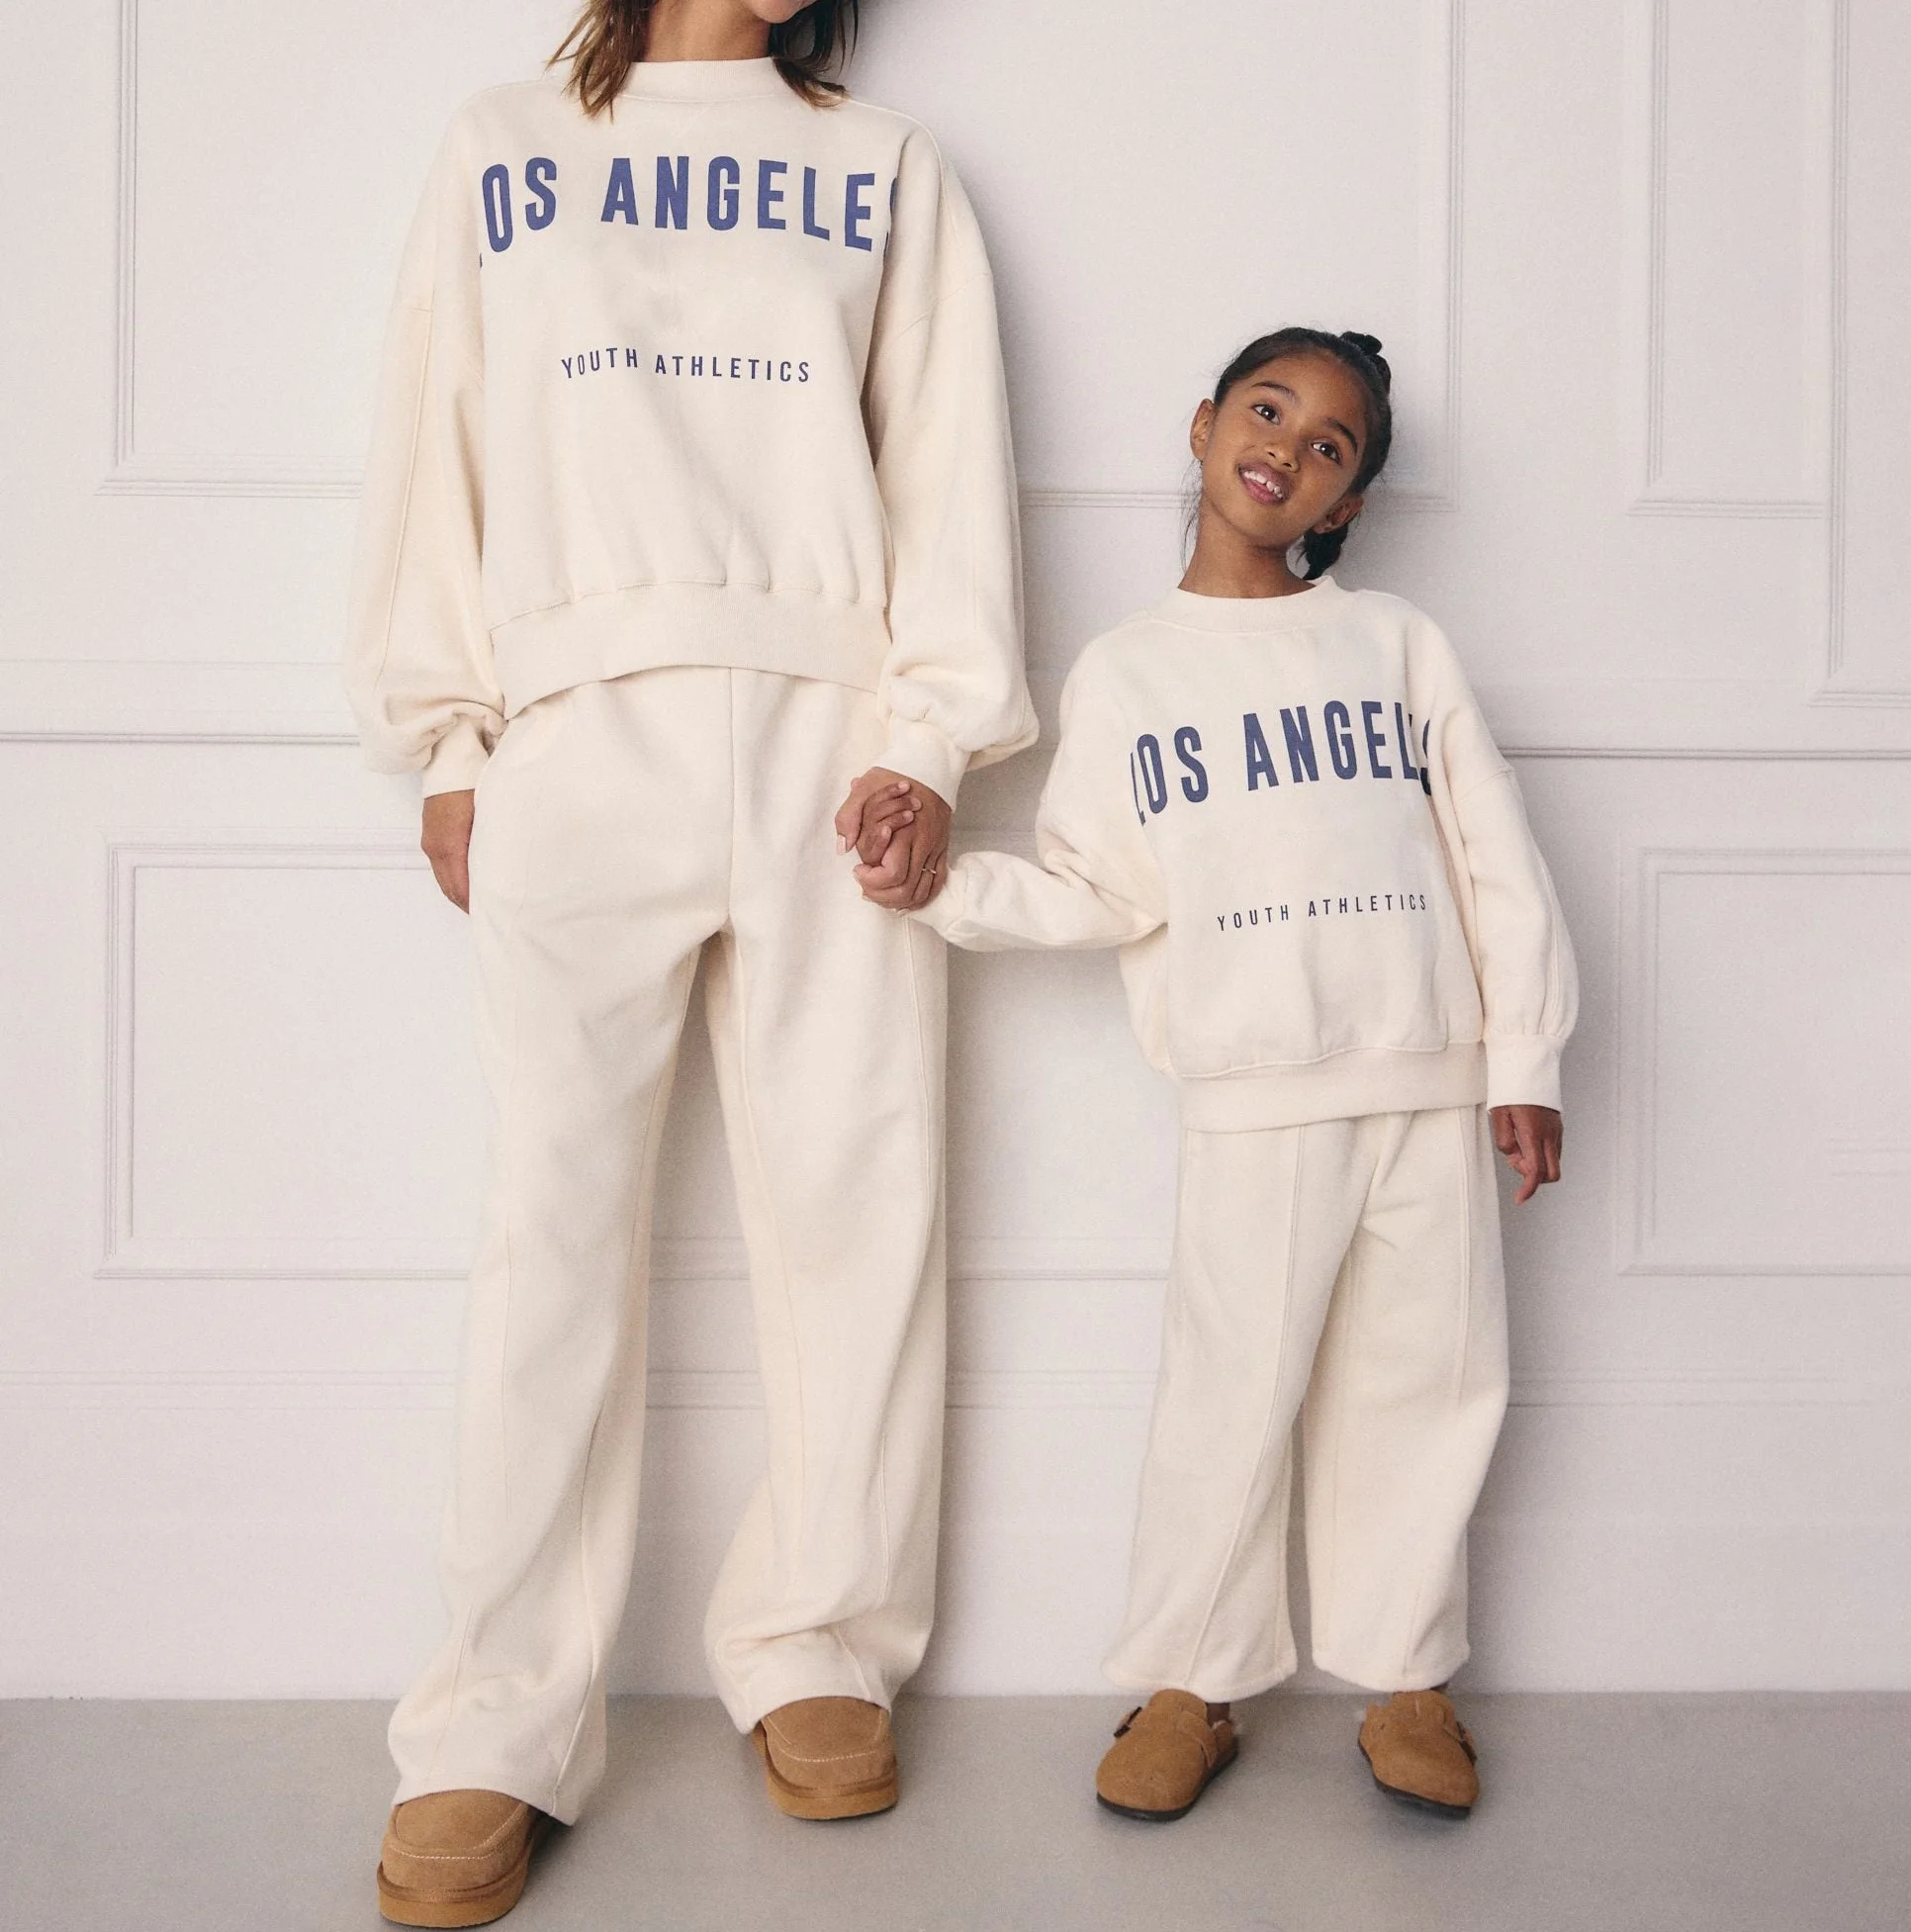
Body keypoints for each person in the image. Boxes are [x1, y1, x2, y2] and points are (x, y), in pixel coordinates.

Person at [343, 0, 1033, 1918]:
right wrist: (452, 738)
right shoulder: (503, 146)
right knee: (550, 1231)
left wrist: (927, 742)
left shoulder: (883, 168)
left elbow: (948, 466)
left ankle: (820, 1637)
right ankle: (495, 1721)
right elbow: (436, 441)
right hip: (578, 729)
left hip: (834, 734)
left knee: (856, 1197)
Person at [858, 326, 1576, 1823]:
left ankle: (1407, 1674)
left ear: (1346, 503)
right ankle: (1192, 1681)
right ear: (1203, 426)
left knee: (1430, 1384)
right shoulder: (1128, 673)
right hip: (1255, 1093)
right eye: (1269, 410)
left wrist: (1525, 1055)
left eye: (1330, 446)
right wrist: (943, 888)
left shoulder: (1398, 645)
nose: (1288, 450)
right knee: (1228, 1399)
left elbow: (1493, 853)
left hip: (1429, 1085)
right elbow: (1094, 888)